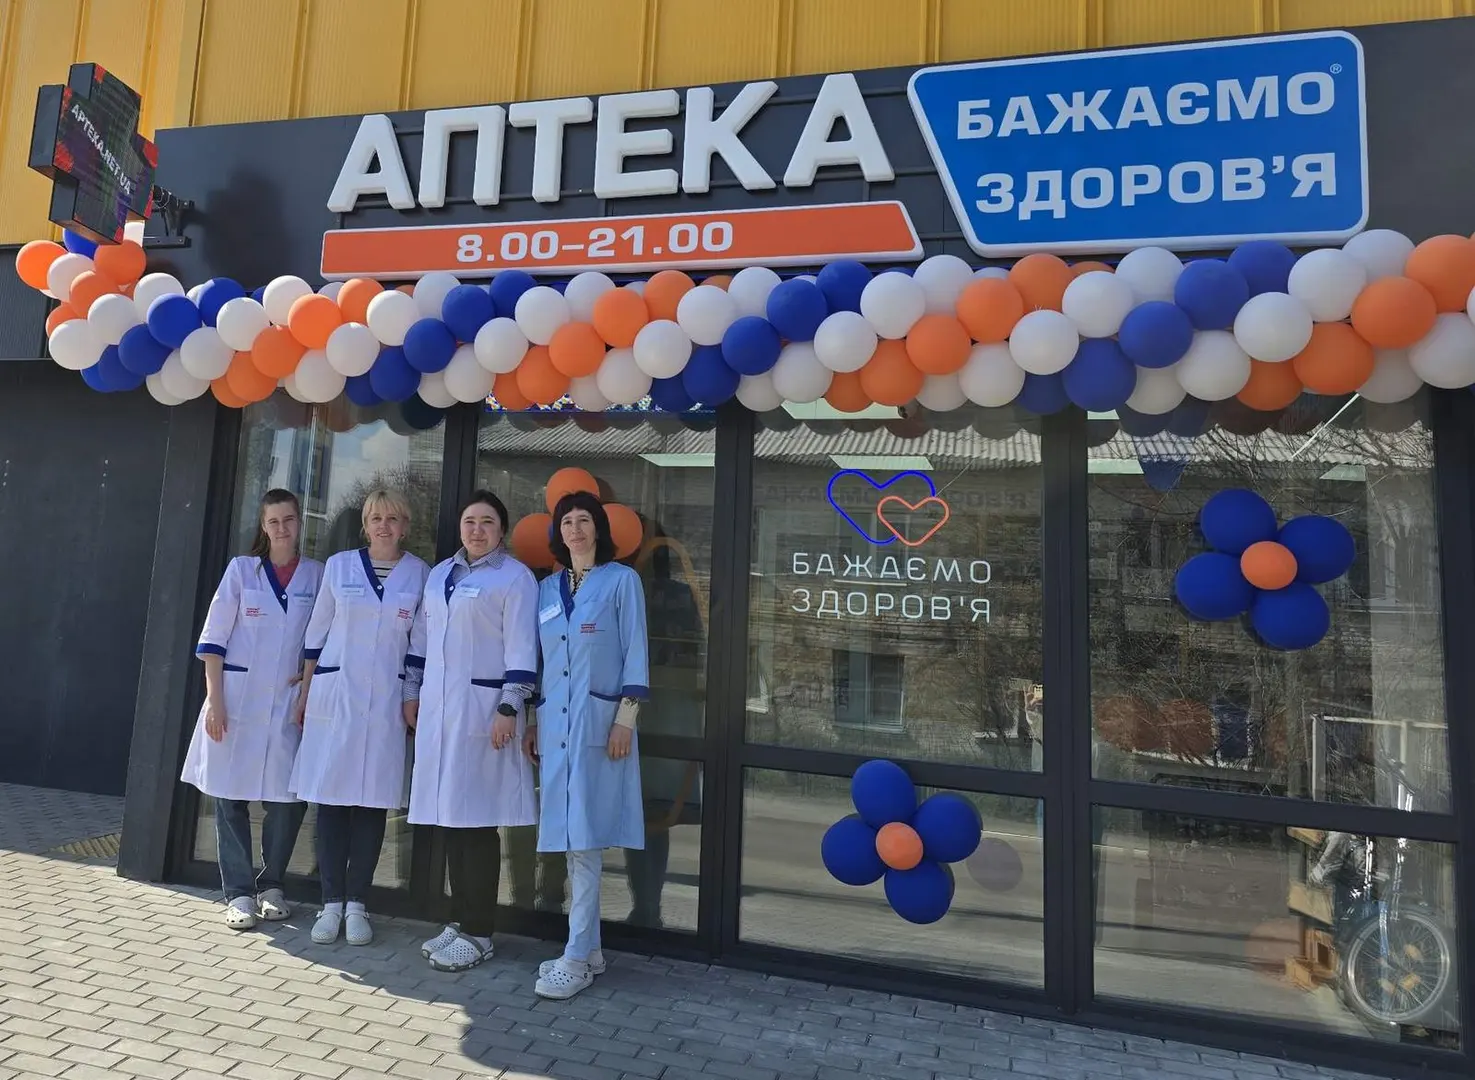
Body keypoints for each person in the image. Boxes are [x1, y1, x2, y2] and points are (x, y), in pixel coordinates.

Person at [403, 490, 539, 972]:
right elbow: (421, 641)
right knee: (449, 821)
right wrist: (411, 692)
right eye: (469, 521)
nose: (477, 530)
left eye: (487, 522)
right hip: (440, 715)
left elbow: (523, 650)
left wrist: (508, 707)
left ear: (501, 530)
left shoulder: (515, 578)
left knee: (478, 824)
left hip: (485, 714)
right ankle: (459, 919)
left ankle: (480, 932)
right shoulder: (441, 573)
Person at [290, 489, 429, 947]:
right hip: (336, 698)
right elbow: (316, 634)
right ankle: (330, 903)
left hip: (386, 703)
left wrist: (411, 697)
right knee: (331, 801)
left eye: (393, 518)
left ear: (406, 526)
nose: (384, 526)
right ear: (365, 525)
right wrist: (305, 692)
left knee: (371, 804)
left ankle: (357, 904)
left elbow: (419, 647)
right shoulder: (340, 566)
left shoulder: (419, 574)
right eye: (375, 518)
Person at [525, 491, 649, 1000]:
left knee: (586, 841)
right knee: (573, 841)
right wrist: (532, 721)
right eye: (566, 522)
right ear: (558, 532)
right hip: (555, 730)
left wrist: (625, 721)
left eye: (583, 520)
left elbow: (636, 652)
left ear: (598, 528)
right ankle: (590, 951)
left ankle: (576, 957)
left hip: (600, 729)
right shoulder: (545, 590)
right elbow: (539, 663)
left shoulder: (621, 581)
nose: (575, 529)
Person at [181, 489, 322, 930]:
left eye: (289, 519)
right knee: (229, 798)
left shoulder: (316, 575)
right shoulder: (242, 571)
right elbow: (213, 642)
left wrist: (308, 683)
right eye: (273, 521)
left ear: (299, 522)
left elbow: (320, 639)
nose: (282, 528)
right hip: (236, 701)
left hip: (287, 703)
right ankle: (239, 893)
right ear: (263, 526)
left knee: (288, 801)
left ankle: (272, 885)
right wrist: (215, 701)